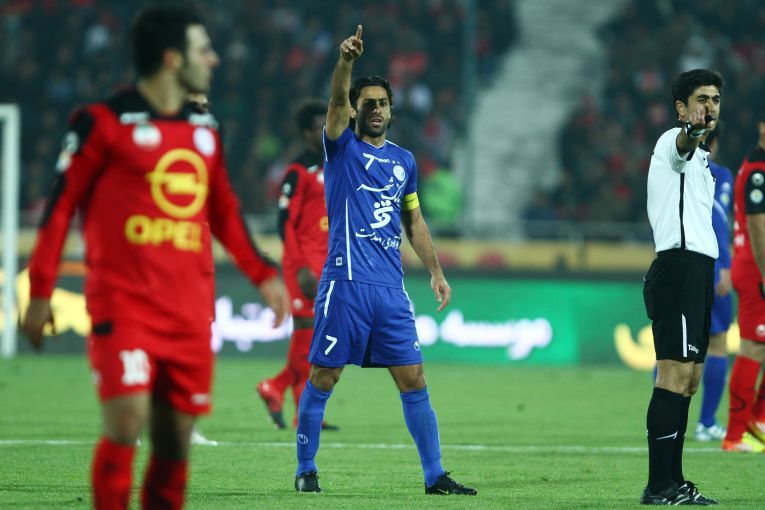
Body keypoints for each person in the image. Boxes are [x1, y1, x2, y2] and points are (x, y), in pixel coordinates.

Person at [21, 7, 288, 509]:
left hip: (187, 312)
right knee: (125, 424)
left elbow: (223, 209)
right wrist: (40, 291)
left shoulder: (204, 127)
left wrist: (263, 274)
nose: (214, 59)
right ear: (172, 59)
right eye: (203, 49)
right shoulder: (102, 123)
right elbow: (59, 211)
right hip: (124, 305)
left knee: (173, 442)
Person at [293, 25, 476, 496]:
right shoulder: (341, 149)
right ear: (355, 110)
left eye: (383, 103)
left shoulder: (404, 161)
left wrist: (435, 271)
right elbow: (335, 102)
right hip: (345, 284)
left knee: (414, 378)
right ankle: (306, 469)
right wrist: (345, 62)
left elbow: (413, 220)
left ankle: (435, 476)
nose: (376, 109)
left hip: (390, 291)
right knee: (324, 375)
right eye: (368, 103)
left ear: (392, 111)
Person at [641, 68, 722, 505]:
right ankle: (658, 486)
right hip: (677, 269)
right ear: (681, 108)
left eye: (715, 100)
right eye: (701, 100)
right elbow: (682, 145)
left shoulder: (703, 161)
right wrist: (691, 131)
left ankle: (675, 481)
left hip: (700, 271)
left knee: (690, 380)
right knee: (672, 374)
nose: (710, 107)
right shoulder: (671, 143)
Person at [256, 98, 338, 431]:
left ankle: (296, 405)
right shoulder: (297, 171)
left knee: (317, 340)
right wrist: (300, 266)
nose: (327, 130)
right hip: (304, 265)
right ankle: (280, 392)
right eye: (320, 126)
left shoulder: (336, 165)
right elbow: (284, 222)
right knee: (308, 334)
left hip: (330, 263)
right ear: (306, 133)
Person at [724, 107, 765, 452]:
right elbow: (757, 226)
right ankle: (735, 435)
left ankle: (757, 421)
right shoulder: (757, 172)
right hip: (756, 268)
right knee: (753, 345)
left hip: (755, 265)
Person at [694, 123, 733, 442]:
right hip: (714, 265)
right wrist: (726, 265)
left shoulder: (674, 171)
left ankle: (663, 420)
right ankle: (706, 422)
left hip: (679, 262)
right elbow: (719, 221)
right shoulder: (722, 176)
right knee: (717, 342)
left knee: (669, 348)